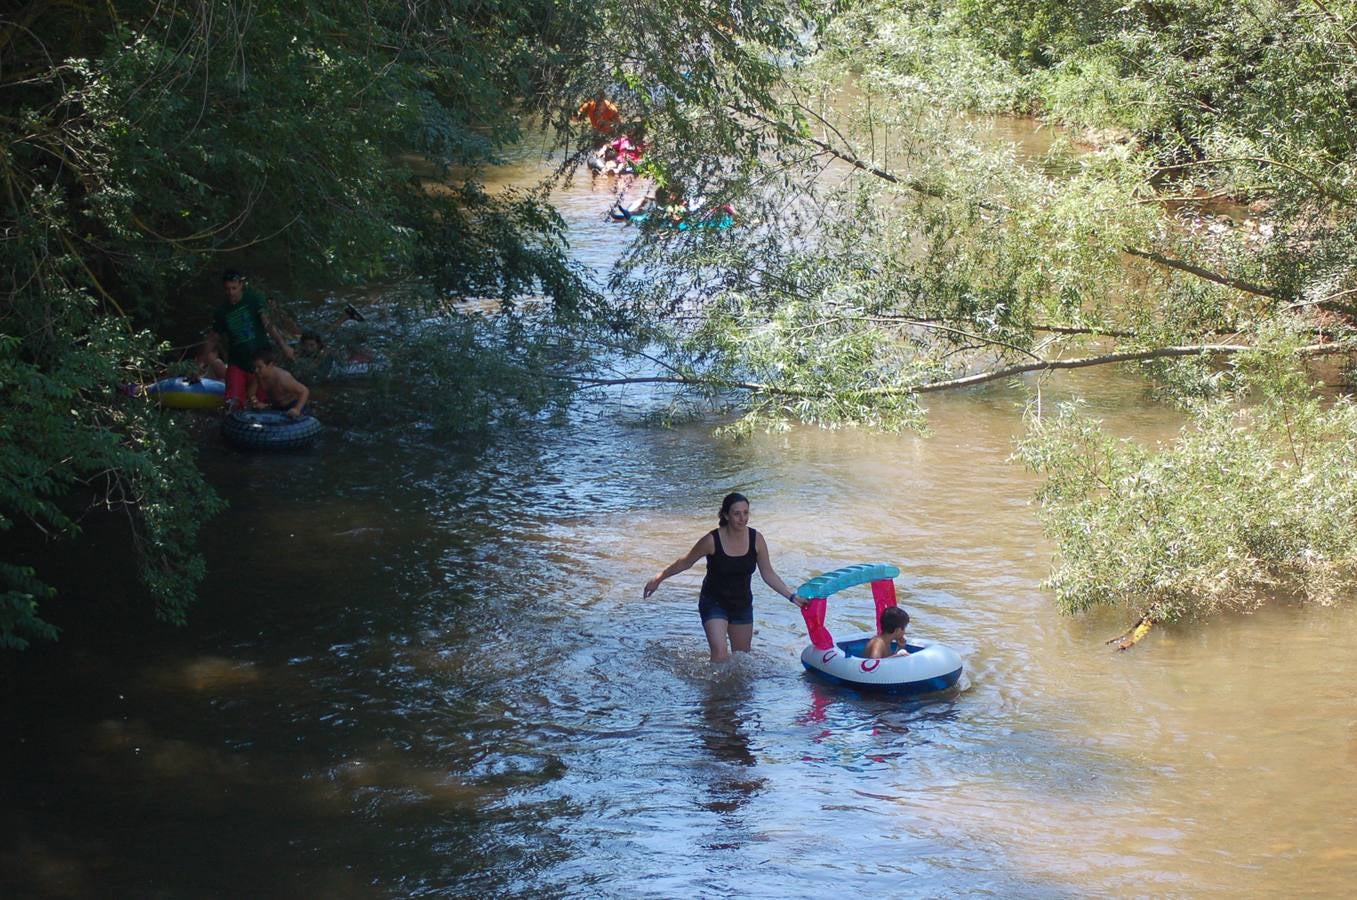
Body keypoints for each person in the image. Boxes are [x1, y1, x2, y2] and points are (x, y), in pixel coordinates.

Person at [643, 492, 804, 662]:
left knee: (741, 660)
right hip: (713, 602)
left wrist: (792, 596)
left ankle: (734, 689)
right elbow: (685, 562)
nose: (742, 518)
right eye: (736, 514)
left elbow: (768, 573)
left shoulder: (756, 539)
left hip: (741, 605)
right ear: (726, 515)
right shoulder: (711, 540)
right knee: (720, 655)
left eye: (746, 513)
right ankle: (713, 688)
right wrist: (659, 578)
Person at [207, 269, 295, 410]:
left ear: (241, 285)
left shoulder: (253, 298)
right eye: (227, 289)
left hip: (261, 362)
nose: (231, 293)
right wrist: (201, 365)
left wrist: (283, 345)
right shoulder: (222, 311)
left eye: (234, 288)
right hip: (237, 362)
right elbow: (212, 339)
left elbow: (267, 325)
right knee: (233, 404)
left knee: (264, 404)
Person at [248, 349, 310, 418]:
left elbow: (304, 391)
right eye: (255, 367)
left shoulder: (283, 378)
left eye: (259, 367)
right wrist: (255, 402)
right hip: (275, 406)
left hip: (293, 405)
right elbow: (251, 394)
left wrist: (297, 409)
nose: (256, 370)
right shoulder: (258, 375)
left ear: (270, 365)